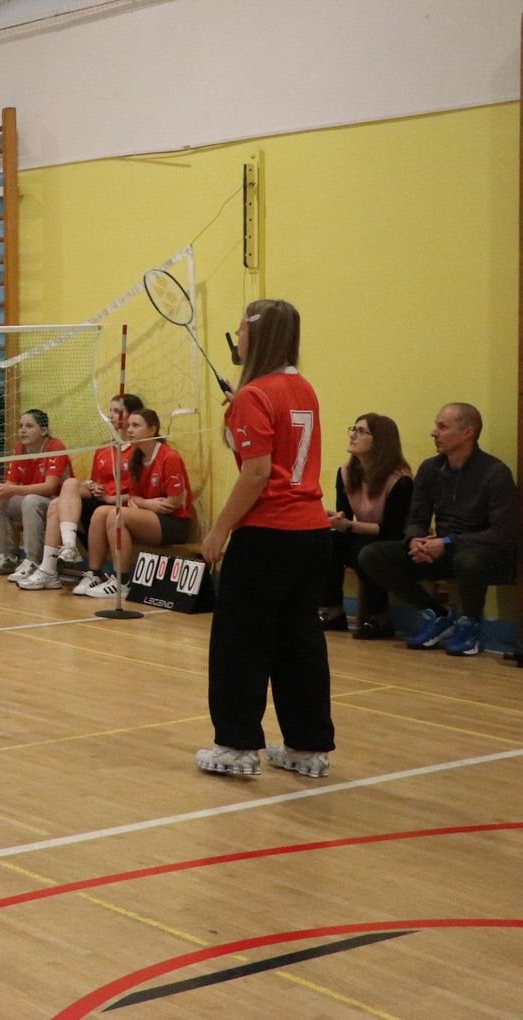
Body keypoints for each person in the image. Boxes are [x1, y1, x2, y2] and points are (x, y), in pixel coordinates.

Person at [197, 299, 333, 780]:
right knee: (300, 642)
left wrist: (219, 529)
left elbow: (256, 473)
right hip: (312, 533)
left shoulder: (254, 395)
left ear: (256, 334)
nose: (237, 337)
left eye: (240, 328)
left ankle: (236, 747)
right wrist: (240, 414)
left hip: (267, 535)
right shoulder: (302, 387)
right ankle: (307, 747)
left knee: (240, 642)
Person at [357, 402, 518, 656]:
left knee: (467, 560)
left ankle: (471, 624)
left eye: (442, 427)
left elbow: (503, 533)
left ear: (467, 433)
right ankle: (436, 614)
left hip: (483, 555)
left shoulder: (495, 472)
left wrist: (447, 543)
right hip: (441, 549)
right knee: (372, 555)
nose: (434, 433)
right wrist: (414, 540)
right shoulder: (430, 468)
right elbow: (416, 518)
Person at [32, 408, 192, 595]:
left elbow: (173, 502)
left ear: (152, 430)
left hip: (174, 522)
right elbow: (134, 497)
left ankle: (121, 581)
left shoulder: (168, 457)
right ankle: (94, 573)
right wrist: (147, 503)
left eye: (136, 426)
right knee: (101, 512)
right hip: (150, 514)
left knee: (117, 516)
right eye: (129, 425)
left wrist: (143, 503)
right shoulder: (137, 459)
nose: (129, 430)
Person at [16, 393, 144, 590]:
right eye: (110, 410)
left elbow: (140, 492)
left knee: (57, 502)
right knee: (65, 491)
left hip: (120, 505)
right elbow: (95, 481)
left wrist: (111, 498)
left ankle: (75, 564)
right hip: (99, 501)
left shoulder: (138, 450)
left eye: (117, 411)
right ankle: (55, 562)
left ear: (132, 415)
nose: (111, 415)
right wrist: (91, 485)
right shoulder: (104, 448)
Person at [320, 413, 413, 637]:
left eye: (361, 431)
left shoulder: (400, 479)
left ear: (380, 441)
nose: (353, 435)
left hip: (393, 540)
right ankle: (333, 612)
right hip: (361, 534)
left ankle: (380, 618)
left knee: (367, 550)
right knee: (327, 541)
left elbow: (392, 529)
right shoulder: (346, 472)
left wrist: (348, 526)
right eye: (353, 429)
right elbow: (345, 514)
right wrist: (334, 520)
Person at [0, 409, 70, 579]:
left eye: (29, 426)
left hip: (58, 503)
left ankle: (33, 561)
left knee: (31, 501)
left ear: (43, 431)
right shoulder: (20, 448)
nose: (22, 430)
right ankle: (8, 558)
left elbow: (50, 487)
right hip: (32, 500)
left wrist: (12, 490)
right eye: (20, 426)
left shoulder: (55, 447)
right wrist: (0, 488)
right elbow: (11, 484)